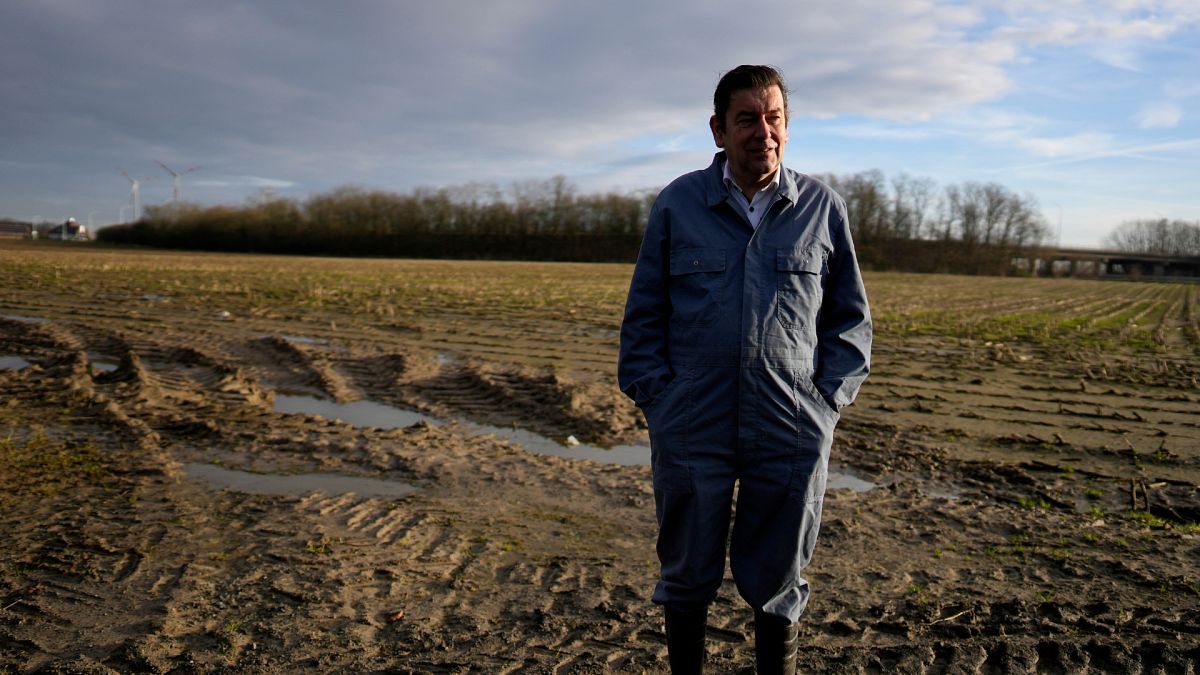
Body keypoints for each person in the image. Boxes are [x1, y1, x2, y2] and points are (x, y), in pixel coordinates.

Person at [617, 65, 872, 674]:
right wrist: (663, 403)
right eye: (747, 119)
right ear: (718, 129)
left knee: (779, 577)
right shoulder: (679, 203)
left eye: (774, 117)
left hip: (789, 425)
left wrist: (824, 407)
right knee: (687, 571)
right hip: (693, 425)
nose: (763, 131)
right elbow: (643, 316)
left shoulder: (821, 208)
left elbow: (850, 322)